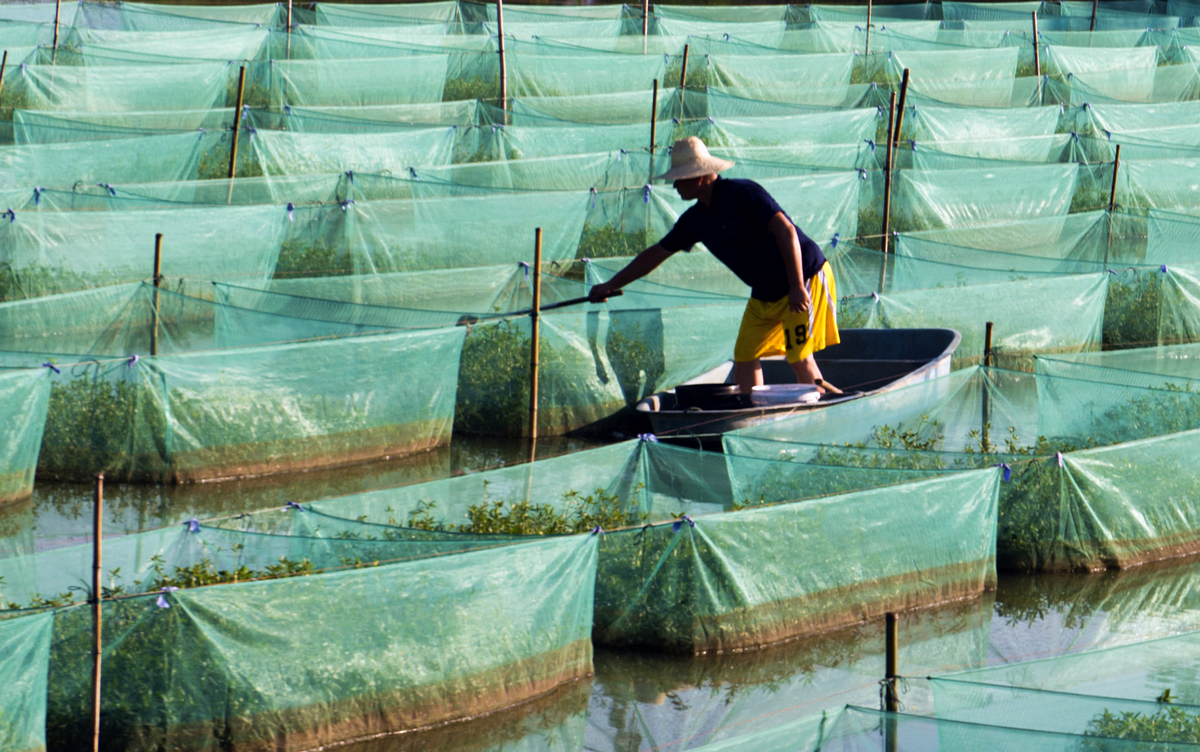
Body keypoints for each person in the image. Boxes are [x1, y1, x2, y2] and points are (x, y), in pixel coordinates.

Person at [588, 136, 840, 395]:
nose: (674, 185)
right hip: (765, 291)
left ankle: (821, 415)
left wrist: (797, 286)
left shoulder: (744, 194)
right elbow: (656, 254)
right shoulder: (695, 220)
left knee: (799, 357)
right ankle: (752, 416)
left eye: (679, 178)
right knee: (744, 356)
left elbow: (786, 231)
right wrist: (610, 285)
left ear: (698, 177)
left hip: (802, 276)